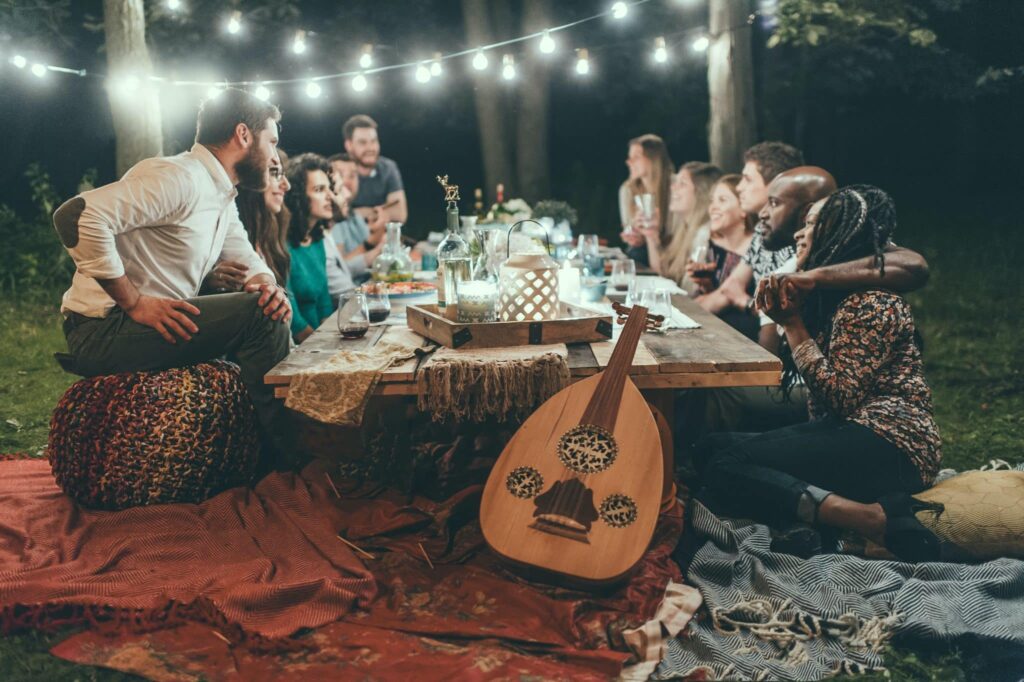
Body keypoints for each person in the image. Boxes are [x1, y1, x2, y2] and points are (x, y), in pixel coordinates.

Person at [52, 87, 295, 469]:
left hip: (144, 326)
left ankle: (270, 442)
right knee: (260, 317)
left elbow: (247, 257)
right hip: (101, 329)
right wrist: (133, 301)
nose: (275, 156)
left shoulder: (220, 195)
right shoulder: (180, 178)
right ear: (243, 135)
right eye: (272, 141)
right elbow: (77, 216)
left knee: (268, 304)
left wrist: (267, 284)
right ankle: (290, 456)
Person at [698, 186, 942, 561]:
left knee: (726, 466)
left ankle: (868, 519)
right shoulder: (833, 297)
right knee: (708, 451)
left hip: (894, 445)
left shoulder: (871, 301)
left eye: (810, 224)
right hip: (849, 429)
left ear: (836, 235)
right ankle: (812, 523)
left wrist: (793, 325)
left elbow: (841, 398)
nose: (798, 233)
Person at [204, 149, 291, 292]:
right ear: (251, 178)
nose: (286, 185)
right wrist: (206, 283)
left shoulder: (272, 233)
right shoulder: (223, 232)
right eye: (275, 173)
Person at [283, 153, 344, 343]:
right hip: (296, 348)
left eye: (329, 188)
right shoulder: (281, 244)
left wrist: (332, 341)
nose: (330, 197)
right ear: (299, 196)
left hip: (318, 339)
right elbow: (295, 323)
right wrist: (324, 347)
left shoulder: (317, 240)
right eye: (319, 189)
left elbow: (324, 304)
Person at [690, 174, 757, 338]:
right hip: (715, 325)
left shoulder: (756, 246)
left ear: (743, 210)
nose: (712, 207)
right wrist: (706, 285)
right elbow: (714, 295)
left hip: (745, 332)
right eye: (712, 200)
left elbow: (725, 298)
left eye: (722, 200)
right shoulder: (712, 243)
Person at [641, 161, 722, 291]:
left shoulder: (704, 234)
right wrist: (651, 234)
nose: (673, 187)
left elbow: (689, 292)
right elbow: (663, 275)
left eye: (682, 183)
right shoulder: (686, 229)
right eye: (676, 182)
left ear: (701, 193)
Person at [618, 134, 674, 266]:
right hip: (642, 251)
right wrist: (634, 234)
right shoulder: (627, 190)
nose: (629, 162)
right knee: (635, 254)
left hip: (671, 250)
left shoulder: (674, 187)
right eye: (629, 157)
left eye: (636, 157)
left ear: (654, 159)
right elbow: (628, 227)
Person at [343, 114, 407, 226]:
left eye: (373, 141)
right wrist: (382, 211)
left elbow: (400, 214)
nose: (370, 148)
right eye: (363, 142)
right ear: (349, 145)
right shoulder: (339, 169)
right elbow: (334, 216)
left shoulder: (388, 168)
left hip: (381, 236)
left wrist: (357, 213)